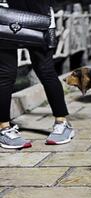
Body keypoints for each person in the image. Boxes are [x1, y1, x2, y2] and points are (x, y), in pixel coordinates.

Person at [0, 0, 74, 149]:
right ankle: (4, 128)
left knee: (46, 71)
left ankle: (61, 122)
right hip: (4, 16)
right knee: (6, 74)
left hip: (39, 17)